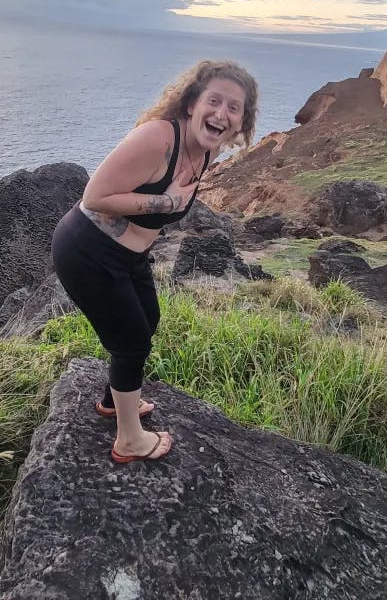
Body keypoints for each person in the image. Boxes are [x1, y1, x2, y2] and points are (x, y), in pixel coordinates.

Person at [51, 60, 258, 463]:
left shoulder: (206, 151)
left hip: (129, 257)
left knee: (147, 321)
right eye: (214, 101)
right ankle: (129, 440)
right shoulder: (159, 137)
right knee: (130, 341)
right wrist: (168, 202)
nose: (221, 113)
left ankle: (115, 402)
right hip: (87, 251)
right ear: (192, 103)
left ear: (241, 121)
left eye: (234, 108)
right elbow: (94, 196)